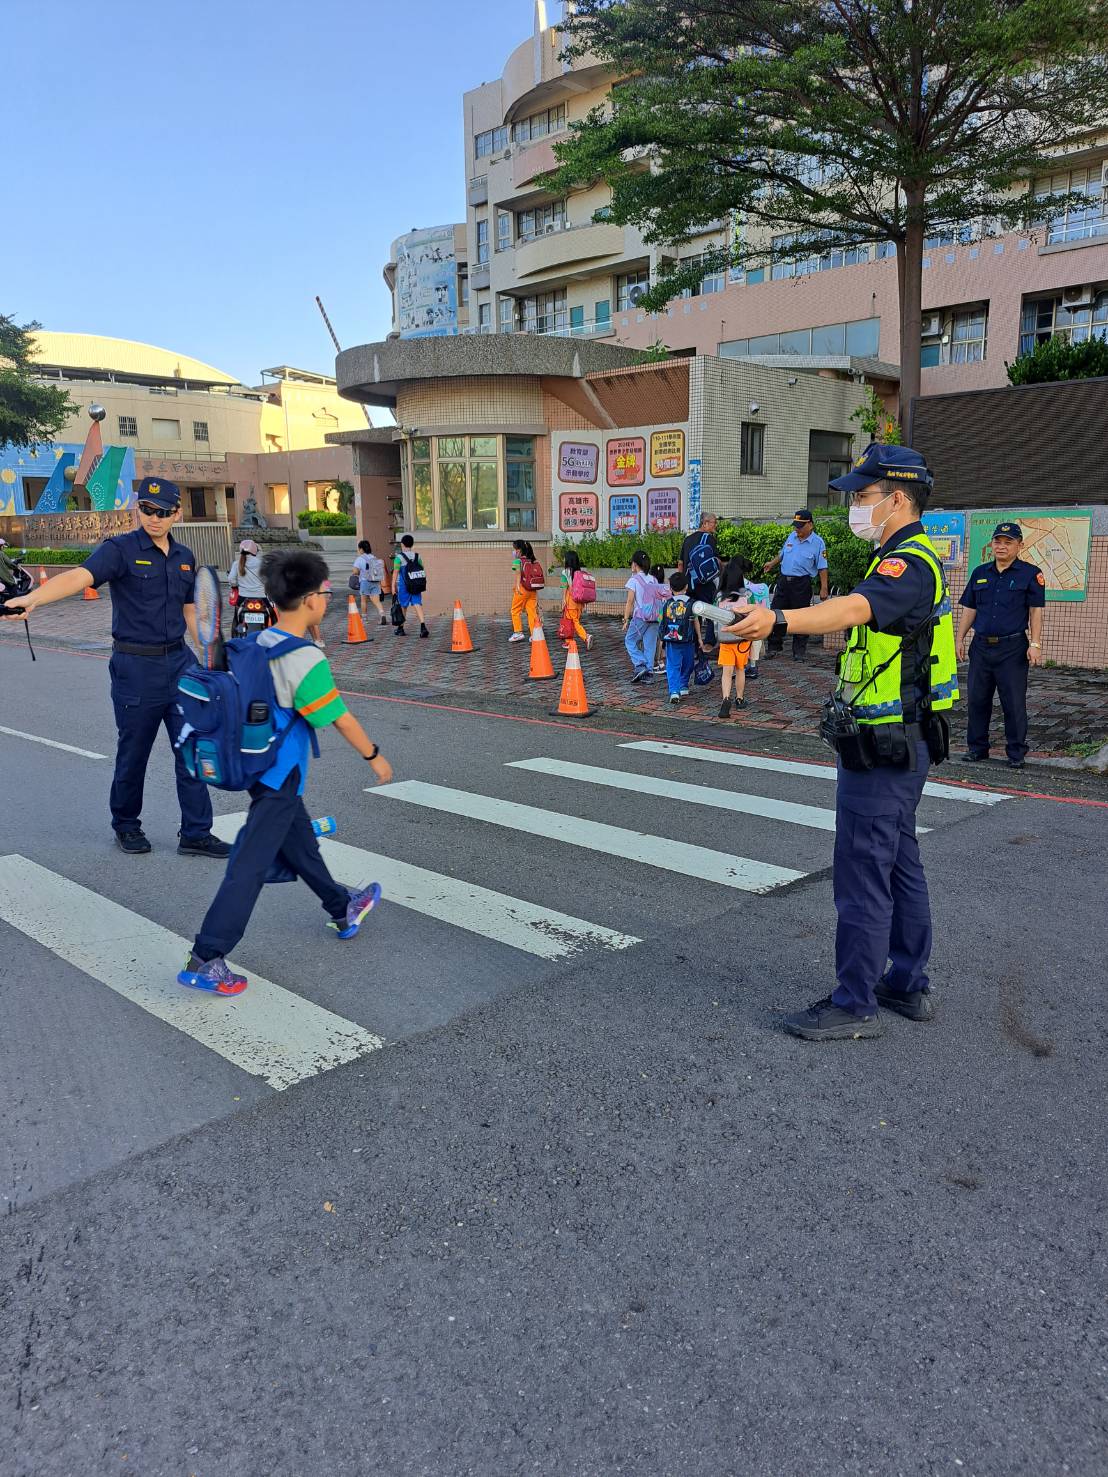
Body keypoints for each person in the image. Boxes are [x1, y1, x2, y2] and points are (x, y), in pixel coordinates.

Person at [733, 444, 958, 1042]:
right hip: (900, 740)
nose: (858, 507)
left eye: (864, 497)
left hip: (884, 746)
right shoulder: (902, 556)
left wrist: (778, 620)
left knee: (862, 868)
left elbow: (855, 609)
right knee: (900, 861)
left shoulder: (905, 563)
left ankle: (854, 1002)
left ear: (898, 499)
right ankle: (906, 983)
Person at [178, 549, 394, 995]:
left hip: (260, 766)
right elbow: (336, 717)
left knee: (298, 840)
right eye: (326, 592)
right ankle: (207, 955)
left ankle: (342, 905)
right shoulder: (305, 659)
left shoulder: (258, 641)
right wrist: (374, 756)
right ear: (313, 599)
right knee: (249, 864)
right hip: (280, 772)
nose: (328, 599)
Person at [2, 477, 231, 859]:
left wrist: (210, 656)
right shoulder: (120, 550)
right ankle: (126, 824)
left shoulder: (185, 557)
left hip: (180, 664)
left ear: (177, 513)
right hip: (135, 666)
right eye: (146, 509)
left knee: (190, 747)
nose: (153, 518)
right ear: (137, 509)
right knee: (134, 752)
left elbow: (191, 611)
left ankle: (196, 832)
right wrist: (35, 598)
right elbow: (80, 577)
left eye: (161, 512)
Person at [956, 522, 1045, 771]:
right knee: (976, 699)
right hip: (981, 647)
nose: (1002, 546)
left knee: (1013, 702)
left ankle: (1016, 752)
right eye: (998, 541)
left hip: (1013, 649)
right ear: (992, 544)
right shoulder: (980, 572)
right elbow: (969, 609)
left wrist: (1035, 643)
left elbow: (1035, 612)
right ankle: (977, 748)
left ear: (1019, 545)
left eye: (1008, 542)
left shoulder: (1030, 574)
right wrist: (959, 638)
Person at [762, 509, 829, 662]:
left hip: (801, 584)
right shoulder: (792, 536)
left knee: (802, 618)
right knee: (776, 614)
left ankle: (798, 652)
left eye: (800, 526)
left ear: (810, 525)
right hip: (784, 582)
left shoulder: (818, 543)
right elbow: (782, 553)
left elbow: (822, 567)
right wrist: (772, 563)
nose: (796, 530)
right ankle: (774, 647)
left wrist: (824, 587)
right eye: (795, 526)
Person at [715, 556, 754, 718]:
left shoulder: (719, 597)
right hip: (742, 638)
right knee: (740, 670)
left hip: (725, 638)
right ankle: (739, 698)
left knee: (726, 671)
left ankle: (725, 698)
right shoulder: (747, 595)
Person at [658, 572, 702, 705]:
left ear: (670, 588)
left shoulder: (666, 604)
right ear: (687, 586)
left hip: (671, 640)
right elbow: (696, 622)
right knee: (688, 664)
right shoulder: (691, 603)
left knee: (673, 665)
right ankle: (683, 685)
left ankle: (674, 691)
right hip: (688, 640)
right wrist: (699, 638)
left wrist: (661, 641)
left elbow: (661, 622)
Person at [622, 549, 664, 683]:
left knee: (630, 641)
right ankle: (649, 673)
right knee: (650, 645)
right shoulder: (653, 579)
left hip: (640, 617)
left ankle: (640, 664)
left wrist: (626, 618)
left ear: (635, 564)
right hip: (655, 617)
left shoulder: (633, 580)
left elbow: (630, 601)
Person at [678, 514, 720, 644]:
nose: (716, 525)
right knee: (710, 613)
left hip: (689, 584)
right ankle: (708, 643)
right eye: (714, 522)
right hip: (705, 583)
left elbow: (680, 563)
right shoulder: (710, 539)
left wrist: (681, 580)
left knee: (692, 615)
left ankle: (694, 643)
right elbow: (716, 560)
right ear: (705, 523)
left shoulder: (687, 539)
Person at [393, 534, 429, 637]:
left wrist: (393, 586)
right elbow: (421, 568)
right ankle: (423, 627)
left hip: (404, 585)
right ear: (412, 544)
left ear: (402, 544)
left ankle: (401, 628)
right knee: (417, 604)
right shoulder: (417, 556)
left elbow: (395, 572)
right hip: (416, 584)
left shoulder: (398, 558)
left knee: (403, 606)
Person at [508, 539, 541, 643]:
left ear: (519, 550)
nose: (514, 551)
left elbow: (518, 573)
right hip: (533, 590)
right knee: (532, 612)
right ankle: (535, 634)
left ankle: (518, 632)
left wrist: (517, 586)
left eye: (515, 549)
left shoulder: (518, 561)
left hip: (522, 589)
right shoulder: (532, 561)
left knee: (515, 610)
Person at [560, 549, 593, 651]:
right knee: (574, 621)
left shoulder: (565, 572)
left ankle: (586, 636)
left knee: (573, 622)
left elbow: (564, 588)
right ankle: (569, 641)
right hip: (579, 602)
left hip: (571, 601)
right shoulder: (580, 572)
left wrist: (563, 600)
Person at [353, 539, 386, 627]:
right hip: (375, 581)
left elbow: (355, 571)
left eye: (359, 548)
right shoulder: (373, 557)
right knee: (377, 600)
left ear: (361, 549)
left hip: (365, 581)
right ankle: (382, 614)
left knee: (364, 600)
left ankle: (364, 619)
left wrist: (358, 573)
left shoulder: (360, 559)